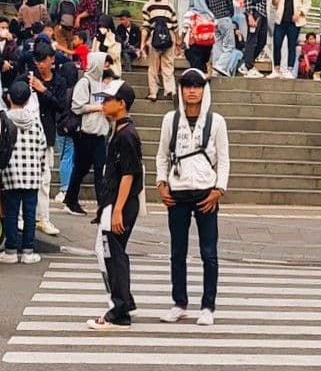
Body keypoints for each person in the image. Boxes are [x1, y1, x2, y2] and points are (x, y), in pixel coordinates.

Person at [156, 68, 229, 327]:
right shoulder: (171, 119)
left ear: (204, 90)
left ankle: (208, 306)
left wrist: (219, 189)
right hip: (177, 192)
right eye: (187, 86)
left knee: (209, 252)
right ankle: (179, 302)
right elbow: (162, 154)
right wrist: (161, 183)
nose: (192, 91)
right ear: (181, 90)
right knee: (177, 251)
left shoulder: (216, 121)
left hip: (206, 192)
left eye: (197, 86)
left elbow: (224, 159)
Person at [87, 78, 143, 330]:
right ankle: (124, 301)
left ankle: (119, 311)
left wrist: (118, 209)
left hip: (121, 203)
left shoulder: (126, 135)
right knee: (108, 252)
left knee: (112, 254)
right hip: (115, 202)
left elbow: (129, 174)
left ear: (121, 104)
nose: (103, 104)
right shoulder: (119, 131)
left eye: (108, 100)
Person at [0, 80, 50, 265]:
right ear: (28, 100)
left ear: (8, 97)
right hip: (32, 174)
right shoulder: (35, 122)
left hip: (10, 173)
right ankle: (28, 251)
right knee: (29, 214)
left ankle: (11, 250)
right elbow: (42, 148)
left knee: (11, 213)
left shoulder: (3, 120)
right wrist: (40, 169)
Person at [28, 42, 69, 237]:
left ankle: (43, 217)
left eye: (43, 61)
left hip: (47, 134)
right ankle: (25, 216)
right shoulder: (28, 77)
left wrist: (43, 90)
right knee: (26, 178)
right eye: (37, 61)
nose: (40, 65)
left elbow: (61, 106)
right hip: (27, 135)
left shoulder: (59, 81)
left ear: (51, 60)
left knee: (44, 179)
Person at [64, 52, 111, 217]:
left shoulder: (101, 83)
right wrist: (99, 108)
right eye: (104, 63)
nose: (106, 66)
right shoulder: (85, 82)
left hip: (99, 132)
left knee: (99, 169)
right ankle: (71, 200)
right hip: (85, 132)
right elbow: (77, 107)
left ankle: (102, 205)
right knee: (81, 168)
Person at [142, 0, 178, 101]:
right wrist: (177, 41)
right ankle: (170, 89)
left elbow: (146, 27)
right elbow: (175, 25)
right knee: (168, 64)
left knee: (153, 66)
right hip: (169, 36)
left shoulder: (148, 5)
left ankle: (153, 92)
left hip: (155, 37)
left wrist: (142, 44)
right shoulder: (169, 4)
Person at [240, 0, 268, 78]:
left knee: (262, 40)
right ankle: (248, 65)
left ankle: (247, 63)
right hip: (255, 12)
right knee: (252, 39)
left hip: (262, 11)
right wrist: (250, 15)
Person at [205, 0, 236, 78]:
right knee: (229, 46)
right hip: (225, 19)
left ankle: (216, 69)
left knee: (217, 45)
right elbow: (230, 6)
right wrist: (230, 15)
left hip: (214, 21)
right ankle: (220, 66)